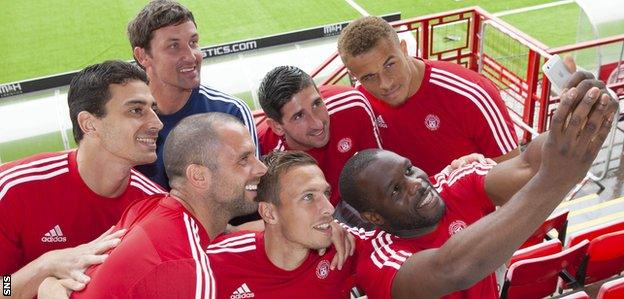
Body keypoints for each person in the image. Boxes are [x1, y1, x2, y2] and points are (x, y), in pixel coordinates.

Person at [338, 74, 617, 298]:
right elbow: (452, 269)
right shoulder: (377, 260)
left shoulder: (455, 181)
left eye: (409, 170)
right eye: (396, 190)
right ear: (374, 217)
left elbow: (529, 166)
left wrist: (571, 122)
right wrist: (556, 179)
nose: (417, 184)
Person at [0, 60, 165, 298]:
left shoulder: (154, 206)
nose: (157, 123)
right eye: (136, 110)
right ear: (89, 124)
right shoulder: (13, 189)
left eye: (153, 110)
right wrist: (46, 266)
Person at [70, 113, 267, 298]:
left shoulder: (147, 209)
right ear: (198, 176)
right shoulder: (185, 267)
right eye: (243, 159)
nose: (261, 168)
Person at [337, 16, 519, 175]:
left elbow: (513, 175)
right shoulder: (360, 104)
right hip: (403, 212)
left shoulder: (472, 93)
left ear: (404, 49)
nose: (386, 84)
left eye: (390, 64)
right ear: (354, 76)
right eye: (369, 77)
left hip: (472, 213)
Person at [127, 0, 258, 190]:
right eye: (174, 46)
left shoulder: (230, 112)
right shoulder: (124, 123)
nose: (191, 56)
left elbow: (251, 192)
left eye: (193, 42)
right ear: (142, 56)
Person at [207, 151, 356, 299]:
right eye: (308, 197)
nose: (329, 208)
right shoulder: (214, 264)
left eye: (326, 193)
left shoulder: (346, 248)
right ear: (269, 213)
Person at [257, 66, 382, 206]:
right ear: (277, 126)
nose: (317, 124)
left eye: (316, 104)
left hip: (358, 202)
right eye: (298, 116)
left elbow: (380, 174)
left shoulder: (352, 105)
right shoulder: (262, 154)